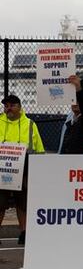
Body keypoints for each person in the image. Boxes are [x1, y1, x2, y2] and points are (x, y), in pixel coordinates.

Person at [0, 94, 45, 249]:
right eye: (6, 105)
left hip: (25, 167)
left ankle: (24, 233)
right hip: (3, 169)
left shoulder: (30, 124)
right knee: (0, 202)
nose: (8, 108)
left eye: (12, 105)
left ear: (19, 106)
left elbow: (39, 149)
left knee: (23, 203)